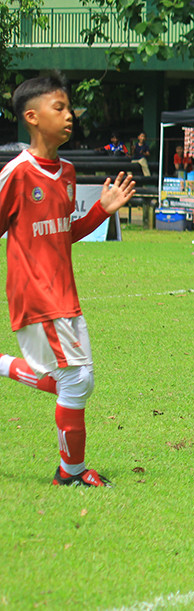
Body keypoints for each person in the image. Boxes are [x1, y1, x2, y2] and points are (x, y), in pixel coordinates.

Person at [0, 72, 135, 487]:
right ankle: (71, 474)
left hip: (64, 294)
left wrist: (101, 211)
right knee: (76, 380)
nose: (69, 114)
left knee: (75, 381)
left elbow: (65, 233)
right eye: (59, 107)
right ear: (32, 117)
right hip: (37, 296)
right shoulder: (18, 173)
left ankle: (3, 365)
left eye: (69, 106)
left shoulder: (69, 171)